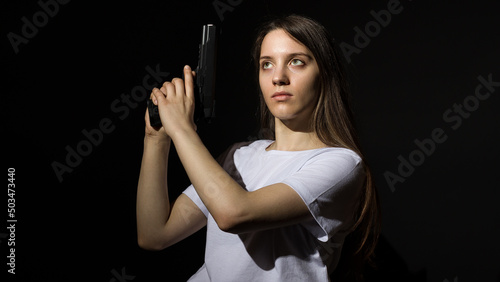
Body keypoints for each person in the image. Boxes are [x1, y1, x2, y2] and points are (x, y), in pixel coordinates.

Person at [136, 14, 381, 281]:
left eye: (296, 62)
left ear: (324, 73)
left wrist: (182, 129)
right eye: (267, 64)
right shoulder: (238, 156)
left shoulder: (341, 164)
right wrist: (157, 138)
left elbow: (234, 213)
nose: (279, 77)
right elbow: (154, 235)